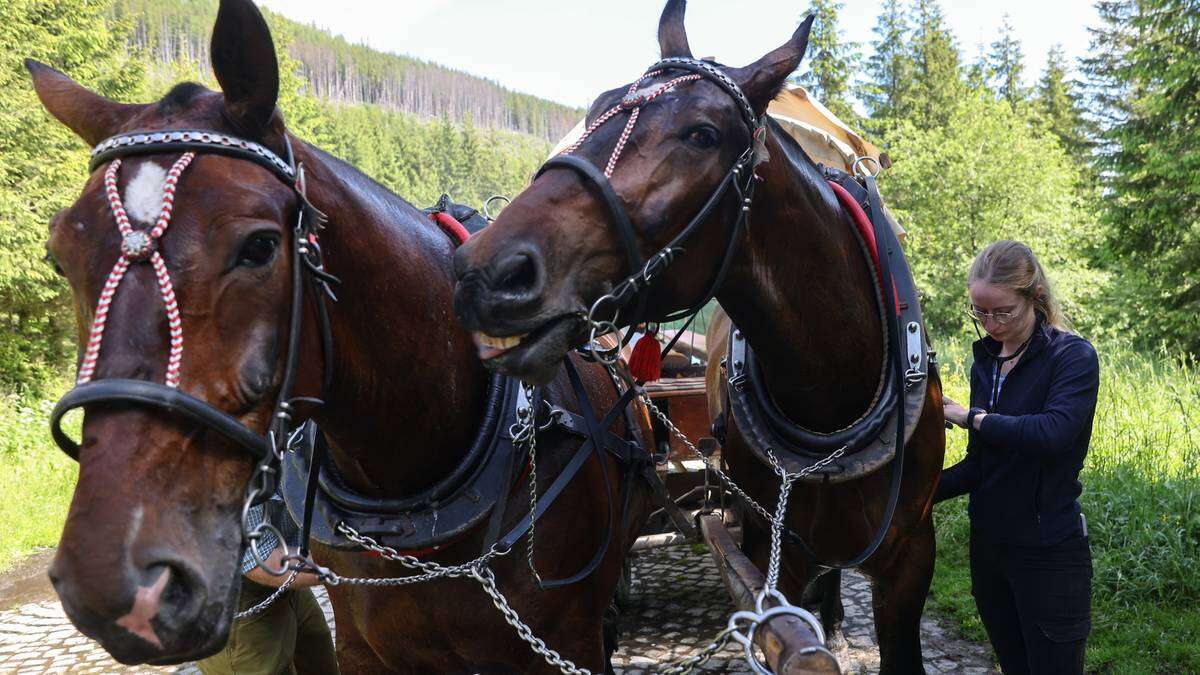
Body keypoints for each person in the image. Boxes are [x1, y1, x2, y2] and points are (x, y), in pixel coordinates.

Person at [937, 240, 1100, 674]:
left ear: (1036, 298)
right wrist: (907, 495)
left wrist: (972, 417)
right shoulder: (986, 362)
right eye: (980, 312)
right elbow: (982, 466)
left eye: (1002, 311)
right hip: (989, 550)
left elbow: (1053, 433)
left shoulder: (1072, 357)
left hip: (1048, 555)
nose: (990, 323)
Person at [196, 493, 338, 675]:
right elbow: (261, 561)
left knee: (319, 658)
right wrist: (350, 564)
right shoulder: (233, 476)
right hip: (232, 597)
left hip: (288, 571)